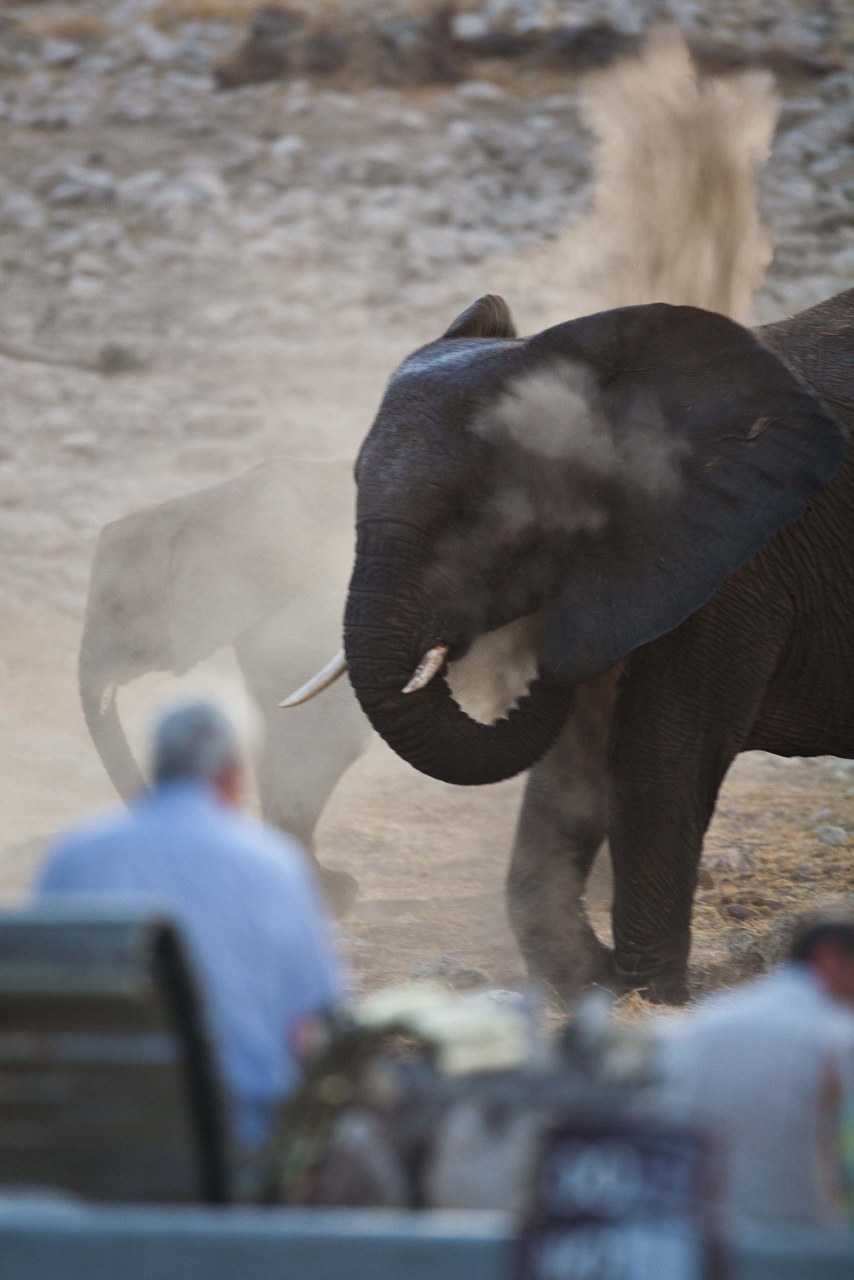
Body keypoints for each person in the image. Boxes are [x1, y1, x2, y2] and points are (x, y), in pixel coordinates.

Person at [35, 698, 344, 1152]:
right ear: (235, 772)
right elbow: (316, 1019)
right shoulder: (275, 864)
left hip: (101, 1133)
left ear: (157, 765)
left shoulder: (76, 854)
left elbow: (44, 1000)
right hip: (241, 1137)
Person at [661, 913, 854, 1230]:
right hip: (801, 1239)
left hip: (698, 1236)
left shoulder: (707, 1015)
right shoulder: (837, 1033)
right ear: (830, 958)